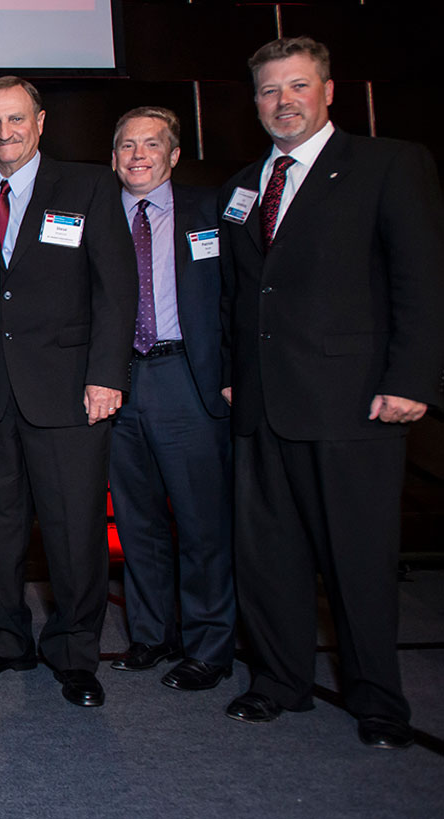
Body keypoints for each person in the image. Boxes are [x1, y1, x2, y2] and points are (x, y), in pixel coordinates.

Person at [218, 37, 444, 750]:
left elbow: (422, 280)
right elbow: (238, 292)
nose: (283, 101)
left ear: (327, 90)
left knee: (358, 559)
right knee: (269, 555)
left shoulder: (388, 164)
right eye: (268, 90)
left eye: (297, 86)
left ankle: (378, 698)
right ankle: (280, 681)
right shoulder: (244, 182)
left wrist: (412, 380)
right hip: (261, 405)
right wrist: (231, 370)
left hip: (352, 403)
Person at [0, 76, 135, 708]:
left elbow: (116, 290)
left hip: (70, 390)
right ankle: (7, 639)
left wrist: (106, 375)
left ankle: (74, 651)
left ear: (40, 123)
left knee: (73, 530)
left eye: (15, 120)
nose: (3, 134)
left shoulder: (89, 185)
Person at [105, 106, 234, 691]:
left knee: (202, 520)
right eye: (127, 146)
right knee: (136, 521)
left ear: (174, 155)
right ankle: (151, 636)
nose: (137, 156)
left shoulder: (213, 210)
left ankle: (210, 645)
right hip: (119, 379)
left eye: (150, 145)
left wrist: (232, 372)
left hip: (187, 375)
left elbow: (240, 297)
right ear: (113, 157)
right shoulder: (101, 215)